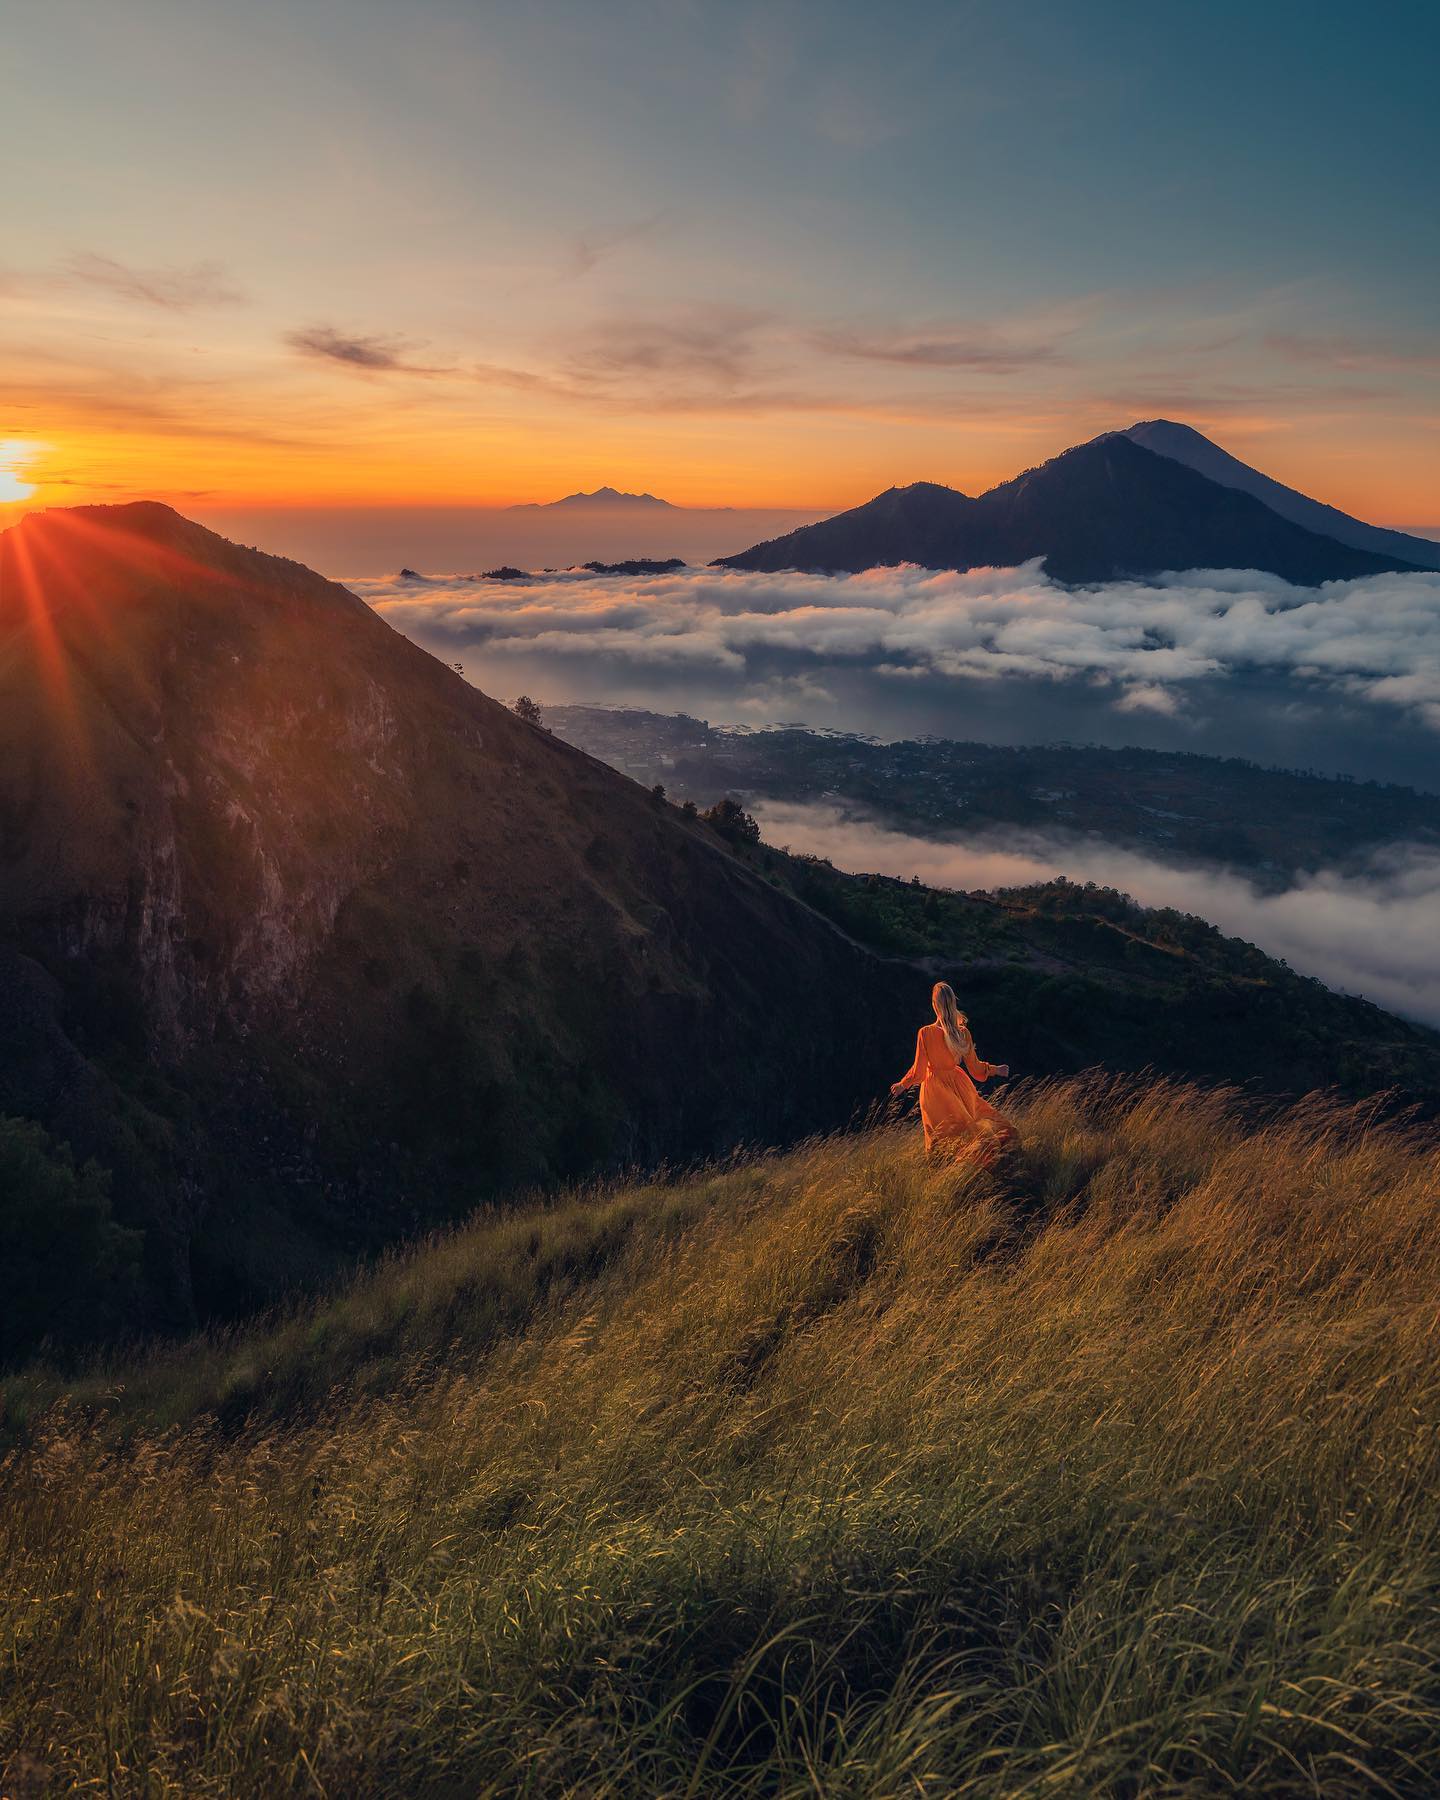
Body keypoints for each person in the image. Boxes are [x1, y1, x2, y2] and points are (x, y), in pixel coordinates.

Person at [891, 982, 1016, 1163]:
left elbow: (919, 1071)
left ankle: (947, 1177)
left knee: (940, 1139)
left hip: (934, 1092)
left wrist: (903, 1084)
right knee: (971, 1129)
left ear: (935, 1005)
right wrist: (996, 1069)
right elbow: (975, 1069)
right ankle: (989, 1164)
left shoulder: (925, 1033)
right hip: (960, 1086)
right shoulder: (962, 1033)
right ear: (952, 1004)